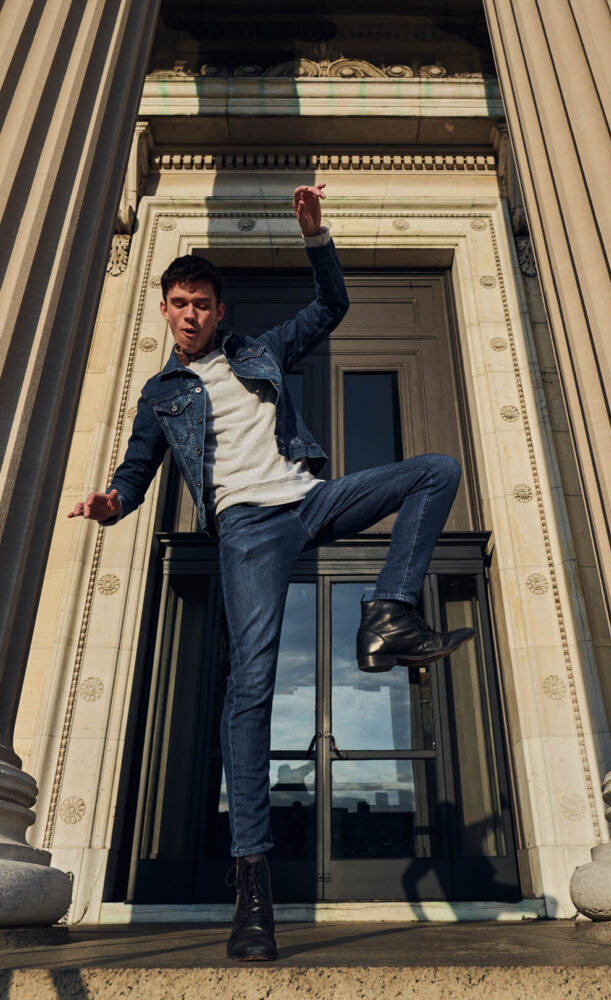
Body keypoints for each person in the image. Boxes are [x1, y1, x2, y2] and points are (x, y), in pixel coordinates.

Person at [68, 184, 474, 960]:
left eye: (202, 304)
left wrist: (316, 238)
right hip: (247, 530)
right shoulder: (161, 395)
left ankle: (387, 613)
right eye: (179, 303)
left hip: (308, 499)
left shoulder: (261, 350)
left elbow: (329, 308)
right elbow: (136, 471)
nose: (191, 314)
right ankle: (252, 889)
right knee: (249, 690)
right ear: (164, 309)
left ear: (219, 312)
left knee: (435, 469)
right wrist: (110, 502)